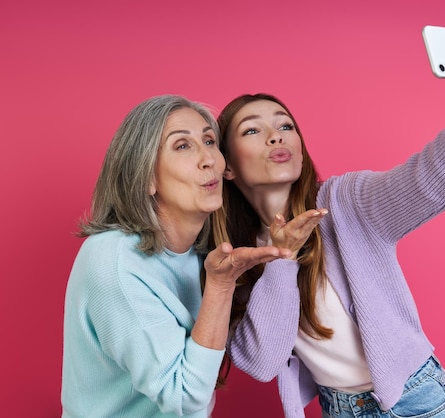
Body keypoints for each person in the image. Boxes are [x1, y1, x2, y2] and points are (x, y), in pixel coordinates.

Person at [216, 21, 445, 418]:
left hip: (416, 402)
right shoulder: (235, 256)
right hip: (339, 408)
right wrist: (282, 259)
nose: (276, 137)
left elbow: (427, 178)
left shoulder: (344, 202)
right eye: (253, 130)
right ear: (227, 166)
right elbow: (261, 362)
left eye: (285, 125)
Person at [61, 95, 292, 417]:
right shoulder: (113, 262)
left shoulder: (209, 251)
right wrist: (220, 288)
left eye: (209, 141)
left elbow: (263, 359)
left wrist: (285, 256)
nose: (208, 158)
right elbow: (183, 399)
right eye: (182, 146)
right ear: (146, 177)